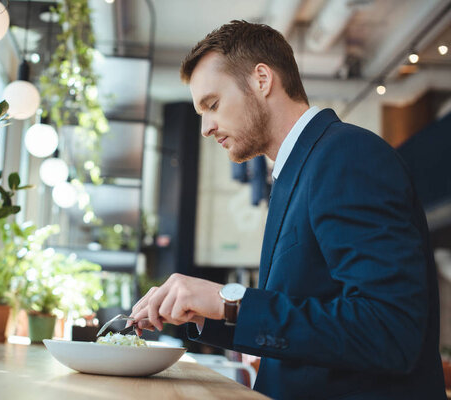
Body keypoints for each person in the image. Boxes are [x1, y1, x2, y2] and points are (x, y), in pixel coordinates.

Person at [129, 21, 446, 399]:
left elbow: (389, 331)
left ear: (262, 79)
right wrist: (210, 314)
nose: (205, 128)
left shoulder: (345, 156)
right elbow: (308, 316)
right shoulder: (299, 170)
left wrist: (227, 299)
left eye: (212, 105)